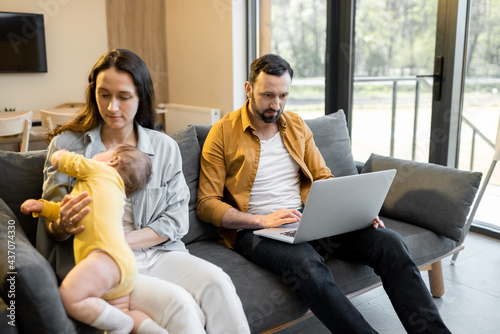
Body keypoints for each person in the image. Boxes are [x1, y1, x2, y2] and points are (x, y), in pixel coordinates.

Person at [197, 53, 452, 334]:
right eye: (267, 95)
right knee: (306, 262)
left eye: (283, 95)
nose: (275, 104)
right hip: (255, 231)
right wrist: (262, 221)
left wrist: (355, 214)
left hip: (310, 217)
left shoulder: (295, 125)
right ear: (248, 89)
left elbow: (323, 177)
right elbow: (206, 205)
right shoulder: (221, 133)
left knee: (389, 242)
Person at [36, 48, 250, 334]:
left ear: (141, 98)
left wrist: (120, 239)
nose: (112, 107)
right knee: (181, 307)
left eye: (123, 97)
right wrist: (61, 224)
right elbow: (50, 226)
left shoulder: (163, 148)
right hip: (105, 263)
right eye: (104, 95)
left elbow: (175, 222)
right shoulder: (68, 147)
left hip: (160, 252)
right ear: (93, 93)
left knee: (218, 283)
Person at [22, 145, 162, 333]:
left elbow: (67, 162)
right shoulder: (111, 191)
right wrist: (42, 208)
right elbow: (66, 210)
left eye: (107, 150)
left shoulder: (101, 170)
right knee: (123, 312)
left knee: (69, 296)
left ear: (113, 161)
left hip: (105, 258)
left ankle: (121, 325)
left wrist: (59, 154)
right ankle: (155, 330)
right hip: (123, 264)